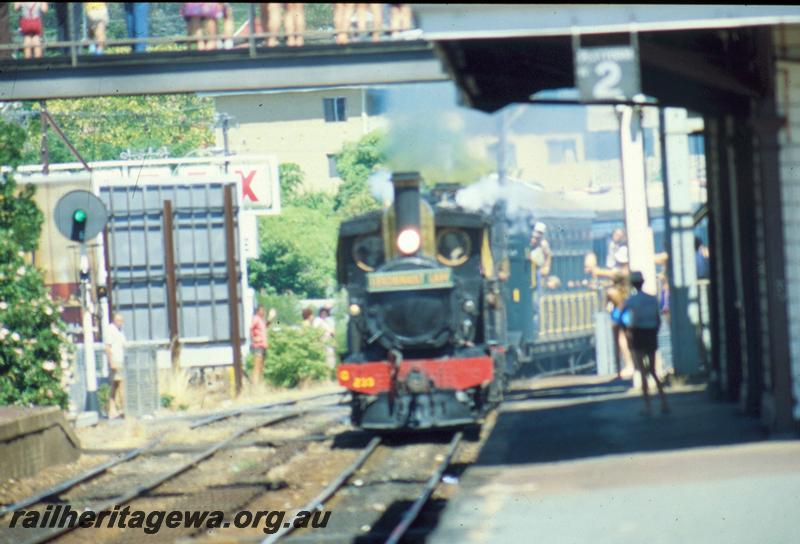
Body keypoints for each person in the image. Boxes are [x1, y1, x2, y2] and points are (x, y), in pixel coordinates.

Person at [622, 271, 670, 415]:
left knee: (642, 371)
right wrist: (654, 330)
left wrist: (627, 330)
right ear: (643, 282)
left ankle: (647, 406)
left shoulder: (631, 300)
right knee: (654, 371)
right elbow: (658, 319)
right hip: (651, 333)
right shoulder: (652, 299)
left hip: (638, 333)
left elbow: (620, 315)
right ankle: (664, 403)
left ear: (632, 284)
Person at [104, 312, 126, 419]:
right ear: (114, 320)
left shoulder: (120, 331)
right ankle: (124, 408)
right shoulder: (110, 329)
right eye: (118, 320)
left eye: (122, 321)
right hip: (115, 361)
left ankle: (112, 410)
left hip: (121, 360)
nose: (120, 323)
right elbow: (107, 347)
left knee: (115, 386)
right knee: (121, 384)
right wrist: (111, 361)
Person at [249, 305, 271, 387]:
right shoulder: (256, 318)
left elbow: (265, 326)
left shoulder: (261, 320)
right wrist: (253, 339)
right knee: (257, 366)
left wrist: (270, 319)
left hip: (263, 345)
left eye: (264, 310)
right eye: (262, 310)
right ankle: (255, 385)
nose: (264, 312)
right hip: (258, 345)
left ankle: (260, 384)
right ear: (258, 311)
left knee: (262, 366)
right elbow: (251, 328)